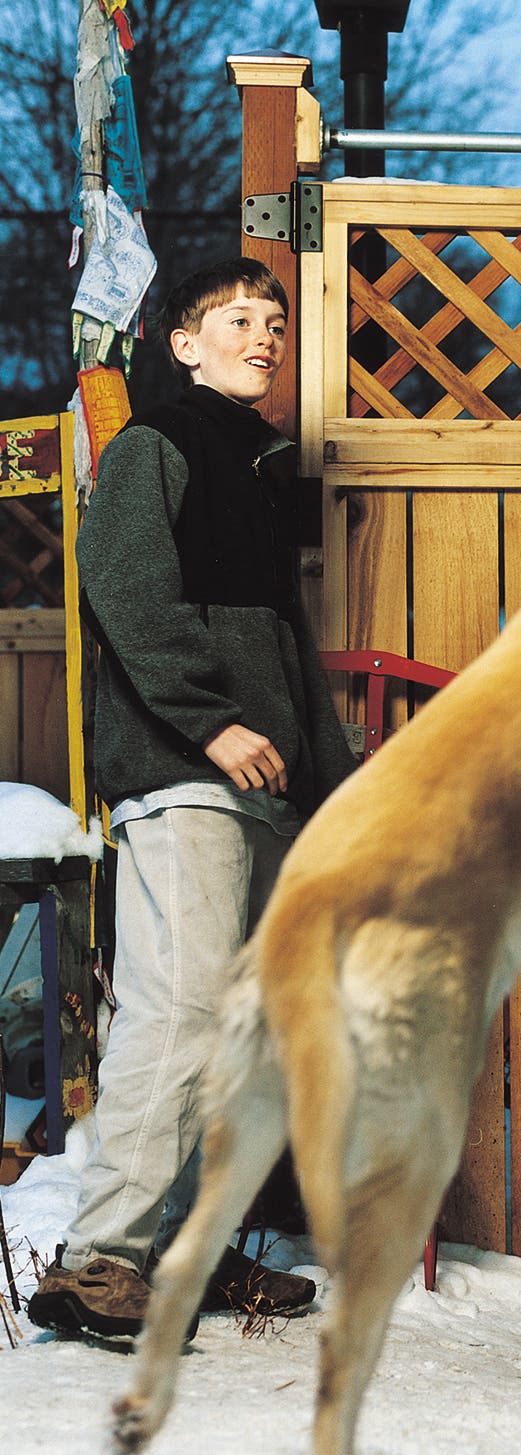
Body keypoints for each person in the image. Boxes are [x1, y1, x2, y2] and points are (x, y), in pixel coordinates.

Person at [29, 257, 357, 1340]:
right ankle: (98, 1264)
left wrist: (334, 784)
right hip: (184, 776)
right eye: (236, 320)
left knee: (234, 1026)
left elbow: (287, 657)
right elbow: (119, 586)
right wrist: (208, 722)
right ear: (184, 342)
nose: (263, 337)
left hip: (260, 795)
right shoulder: (157, 445)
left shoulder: (253, 470)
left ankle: (186, 1255)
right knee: (176, 1010)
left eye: (273, 322)